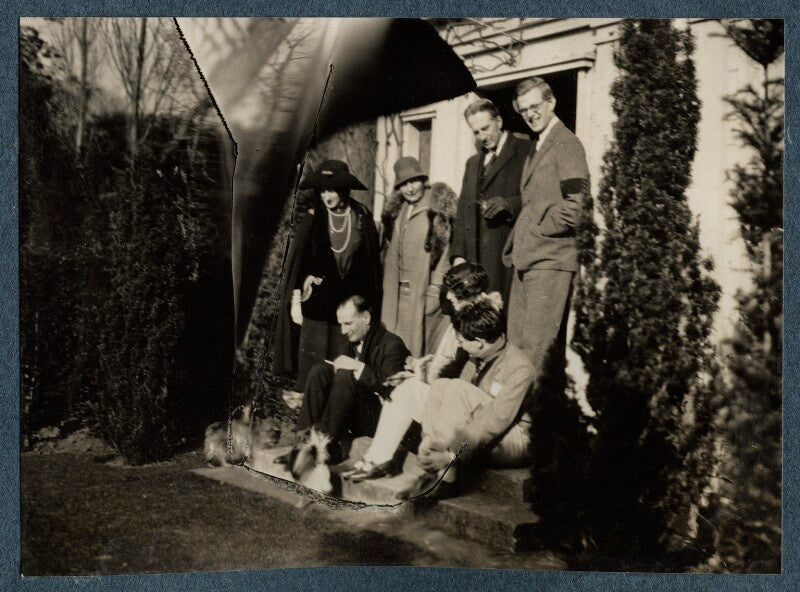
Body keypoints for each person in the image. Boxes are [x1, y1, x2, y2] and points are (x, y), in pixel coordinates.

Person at [338, 262, 491, 482]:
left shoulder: (480, 324)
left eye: (456, 296)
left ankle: (378, 459)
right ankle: (376, 458)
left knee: (406, 389)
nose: (450, 300)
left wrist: (420, 374)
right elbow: (448, 367)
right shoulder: (464, 317)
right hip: (451, 395)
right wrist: (418, 368)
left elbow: (460, 376)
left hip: (466, 409)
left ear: (473, 295)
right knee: (403, 388)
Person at [393, 297, 535, 501]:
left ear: (479, 342)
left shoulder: (520, 368)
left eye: (461, 342)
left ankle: (447, 478)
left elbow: (497, 419)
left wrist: (451, 453)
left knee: (457, 388)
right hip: (482, 433)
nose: (459, 346)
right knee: (443, 385)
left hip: (515, 441)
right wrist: (429, 440)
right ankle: (433, 462)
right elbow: (455, 407)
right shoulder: (477, 355)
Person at [502, 76, 591, 382]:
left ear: (551, 103)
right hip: (528, 261)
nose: (530, 114)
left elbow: (577, 209)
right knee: (518, 349)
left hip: (551, 262)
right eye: (524, 109)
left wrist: (538, 231)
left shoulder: (566, 143)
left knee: (536, 357)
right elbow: (533, 203)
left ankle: (530, 426)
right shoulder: (538, 146)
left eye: (535, 106)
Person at [275, 160, 381, 391]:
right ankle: (309, 421)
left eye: (331, 189)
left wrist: (367, 307)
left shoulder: (361, 216)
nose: (326, 195)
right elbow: (298, 263)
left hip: (349, 310)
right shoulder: (313, 217)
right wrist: (295, 302)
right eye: (322, 190)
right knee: (313, 371)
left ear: (344, 189)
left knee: (342, 371)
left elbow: (371, 266)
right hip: (317, 309)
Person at [277, 295, 410, 466]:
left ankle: (323, 447)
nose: (342, 331)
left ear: (366, 318)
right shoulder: (352, 340)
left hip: (375, 417)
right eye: (341, 324)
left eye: (348, 323)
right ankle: (300, 446)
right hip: (347, 412)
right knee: (320, 370)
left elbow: (392, 390)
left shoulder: (392, 344)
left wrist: (358, 367)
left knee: (346, 374)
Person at [451, 99, 532, 302]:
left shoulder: (527, 151)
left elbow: (541, 198)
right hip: (474, 267)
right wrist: (459, 257)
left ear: (500, 121)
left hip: (506, 262)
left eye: (485, 128)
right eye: (476, 132)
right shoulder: (472, 163)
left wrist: (510, 204)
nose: (482, 137)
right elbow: (462, 213)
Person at [381, 156, 457, 358]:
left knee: (420, 351)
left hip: (424, 293)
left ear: (423, 180)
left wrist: (436, 289)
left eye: (414, 181)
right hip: (398, 294)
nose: (410, 188)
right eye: (404, 184)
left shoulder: (435, 209)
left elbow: (445, 252)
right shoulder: (399, 211)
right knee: (398, 346)